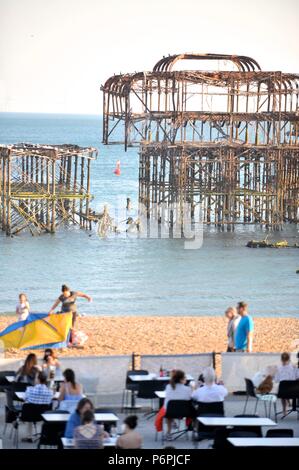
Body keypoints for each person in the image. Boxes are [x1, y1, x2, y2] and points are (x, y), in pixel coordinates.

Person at [155, 370, 192, 440]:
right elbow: (189, 399)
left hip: (170, 412)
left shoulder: (168, 387)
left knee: (167, 410)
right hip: (184, 412)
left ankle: (169, 432)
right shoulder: (188, 389)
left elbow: (167, 401)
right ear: (181, 379)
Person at [22, 371, 53, 443]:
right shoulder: (50, 392)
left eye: (36, 378)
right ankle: (43, 435)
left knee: (29, 408)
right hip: (43, 416)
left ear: (38, 379)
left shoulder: (29, 389)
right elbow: (50, 403)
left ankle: (29, 436)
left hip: (30, 415)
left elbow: (24, 398)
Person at [275, 352, 298, 416]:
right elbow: (297, 377)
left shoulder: (278, 367)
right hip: (294, 391)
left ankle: (284, 410)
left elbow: (276, 380)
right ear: (289, 359)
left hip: (283, 391)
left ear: (281, 359)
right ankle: (289, 401)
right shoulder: (294, 367)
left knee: (282, 387)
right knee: (288, 386)